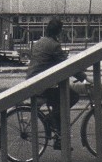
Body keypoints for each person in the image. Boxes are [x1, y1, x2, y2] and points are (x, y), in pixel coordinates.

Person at [26, 17, 87, 150]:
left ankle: (60, 140)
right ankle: (49, 119)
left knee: (59, 104)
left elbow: (47, 62)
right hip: (42, 85)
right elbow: (66, 65)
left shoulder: (39, 42)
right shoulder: (54, 45)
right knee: (73, 96)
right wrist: (83, 77)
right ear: (58, 32)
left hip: (33, 81)